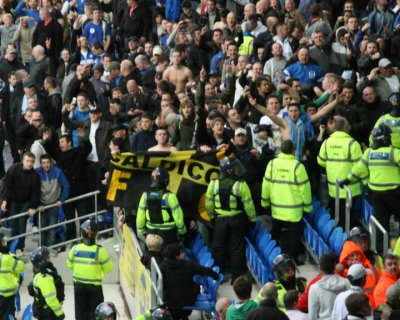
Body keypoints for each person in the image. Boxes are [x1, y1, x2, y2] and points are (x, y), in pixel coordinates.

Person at [343, 124, 400, 254]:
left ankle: (381, 253)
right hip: (394, 194)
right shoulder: (393, 152)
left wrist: (346, 180)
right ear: (386, 138)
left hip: (376, 195)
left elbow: (358, 169)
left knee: (380, 225)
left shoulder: (369, 152)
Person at [205, 157, 257, 281]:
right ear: (229, 170)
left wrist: (212, 217)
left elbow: (208, 204)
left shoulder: (213, 183)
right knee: (237, 248)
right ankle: (237, 276)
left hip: (220, 221)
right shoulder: (241, 185)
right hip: (237, 220)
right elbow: (249, 205)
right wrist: (252, 220)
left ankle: (218, 275)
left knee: (218, 247)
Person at [261, 139, 312, 262]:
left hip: (277, 207)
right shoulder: (298, 166)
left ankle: (273, 258)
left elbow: (266, 185)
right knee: (294, 235)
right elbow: (304, 189)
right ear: (293, 151)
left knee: (275, 232)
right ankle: (293, 260)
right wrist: (308, 206)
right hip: (293, 209)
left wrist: (265, 202)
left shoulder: (272, 164)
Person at [318, 116, 363, 229]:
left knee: (336, 216)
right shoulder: (353, 144)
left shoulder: (327, 142)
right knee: (347, 220)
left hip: (333, 188)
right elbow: (360, 166)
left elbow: (321, 161)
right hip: (350, 188)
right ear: (345, 127)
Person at [67, 219, 113, 320]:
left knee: (80, 313)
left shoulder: (75, 249)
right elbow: (109, 269)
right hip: (94, 288)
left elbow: (69, 264)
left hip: (78, 286)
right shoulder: (100, 251)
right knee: (96, 314)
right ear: (96, 234)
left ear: (81, 233)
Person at [160, 243, 218, 320]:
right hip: (188, 299)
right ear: (176, 256)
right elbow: (204, 270)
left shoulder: (162, 267)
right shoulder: (188, 264)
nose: (184, 254)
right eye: (181, 253)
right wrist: (215, 276)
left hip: (171, 303)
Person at [1, 151, 41, 255]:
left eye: (32, 161)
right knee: (12, 224)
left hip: (25, 202)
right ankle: (10, 247)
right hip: (13, 200)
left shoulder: (35, 176)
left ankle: (20, 247)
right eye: (27, 161)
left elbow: (35, 193)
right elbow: (7, 185)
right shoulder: (13, 169)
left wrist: (33, 207)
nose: (29, 163)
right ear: (23, 161)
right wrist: (4, 200)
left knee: (21, 225)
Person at [137, 167, 187, 246]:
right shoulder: (170, 196)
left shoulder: (145, 195)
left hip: (151, 233)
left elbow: (140, 216)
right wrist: (182, 232)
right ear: (166, 181)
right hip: (169, 235)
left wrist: (143, 231)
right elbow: (179, 218)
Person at [36, 154, 70, 247]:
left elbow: (66, 186)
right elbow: (33, 191)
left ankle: (49, 250)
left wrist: (61, 199)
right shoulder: (37, 174)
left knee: (52, 228)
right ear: (40, 164)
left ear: (51, 163)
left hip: (54, 205)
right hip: (42, 205)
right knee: (42, 229)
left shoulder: (58, 172)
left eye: (47, 162)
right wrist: (38, 204)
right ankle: (41, 249)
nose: (46, 165)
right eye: (43, 163)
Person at [308, 253, 350, 320]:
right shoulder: (346, 282)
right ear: (334, 266)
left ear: (320, 268)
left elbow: (312, 316)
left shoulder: (314, 288)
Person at [28, 246, 65, 320]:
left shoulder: (42, 273)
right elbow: (50, 299)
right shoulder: (45, 278)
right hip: (48, 313)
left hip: (45, 311)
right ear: (41, 261)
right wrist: (60, 313)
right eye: (47, 257)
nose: (49, 259)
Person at [0, 229, 25, 320]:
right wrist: (14, 256)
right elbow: (21, 267)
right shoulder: (6, 258)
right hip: (7, 292)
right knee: (7, 314)